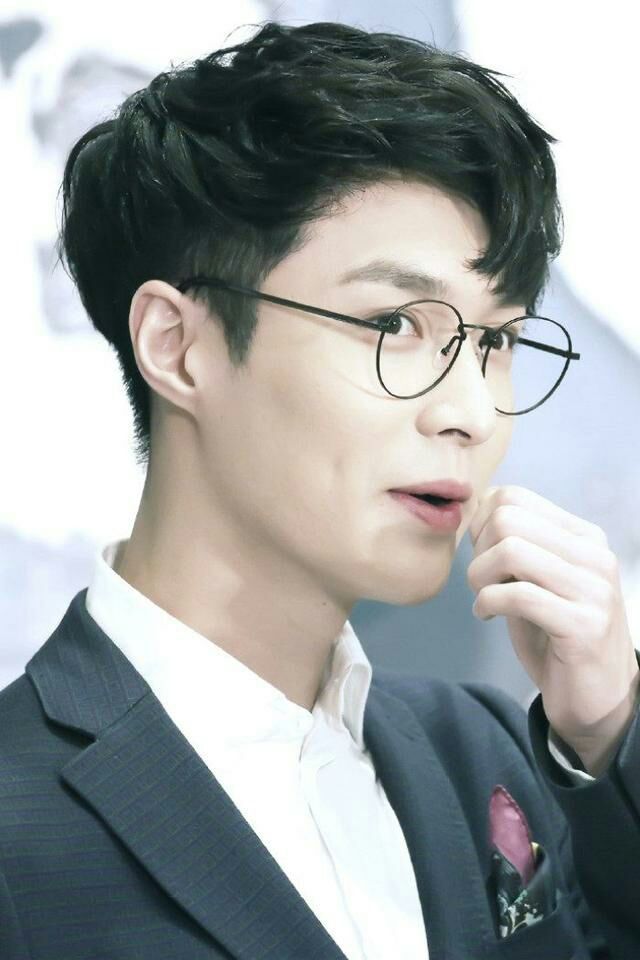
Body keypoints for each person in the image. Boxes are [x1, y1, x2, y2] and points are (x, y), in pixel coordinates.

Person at [0, 20, 637, 960]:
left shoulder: (487, 753)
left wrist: (612, 728)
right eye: (393, 325)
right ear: (178, 346)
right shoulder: (19, 821)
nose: (471, 412)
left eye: (496, 341)